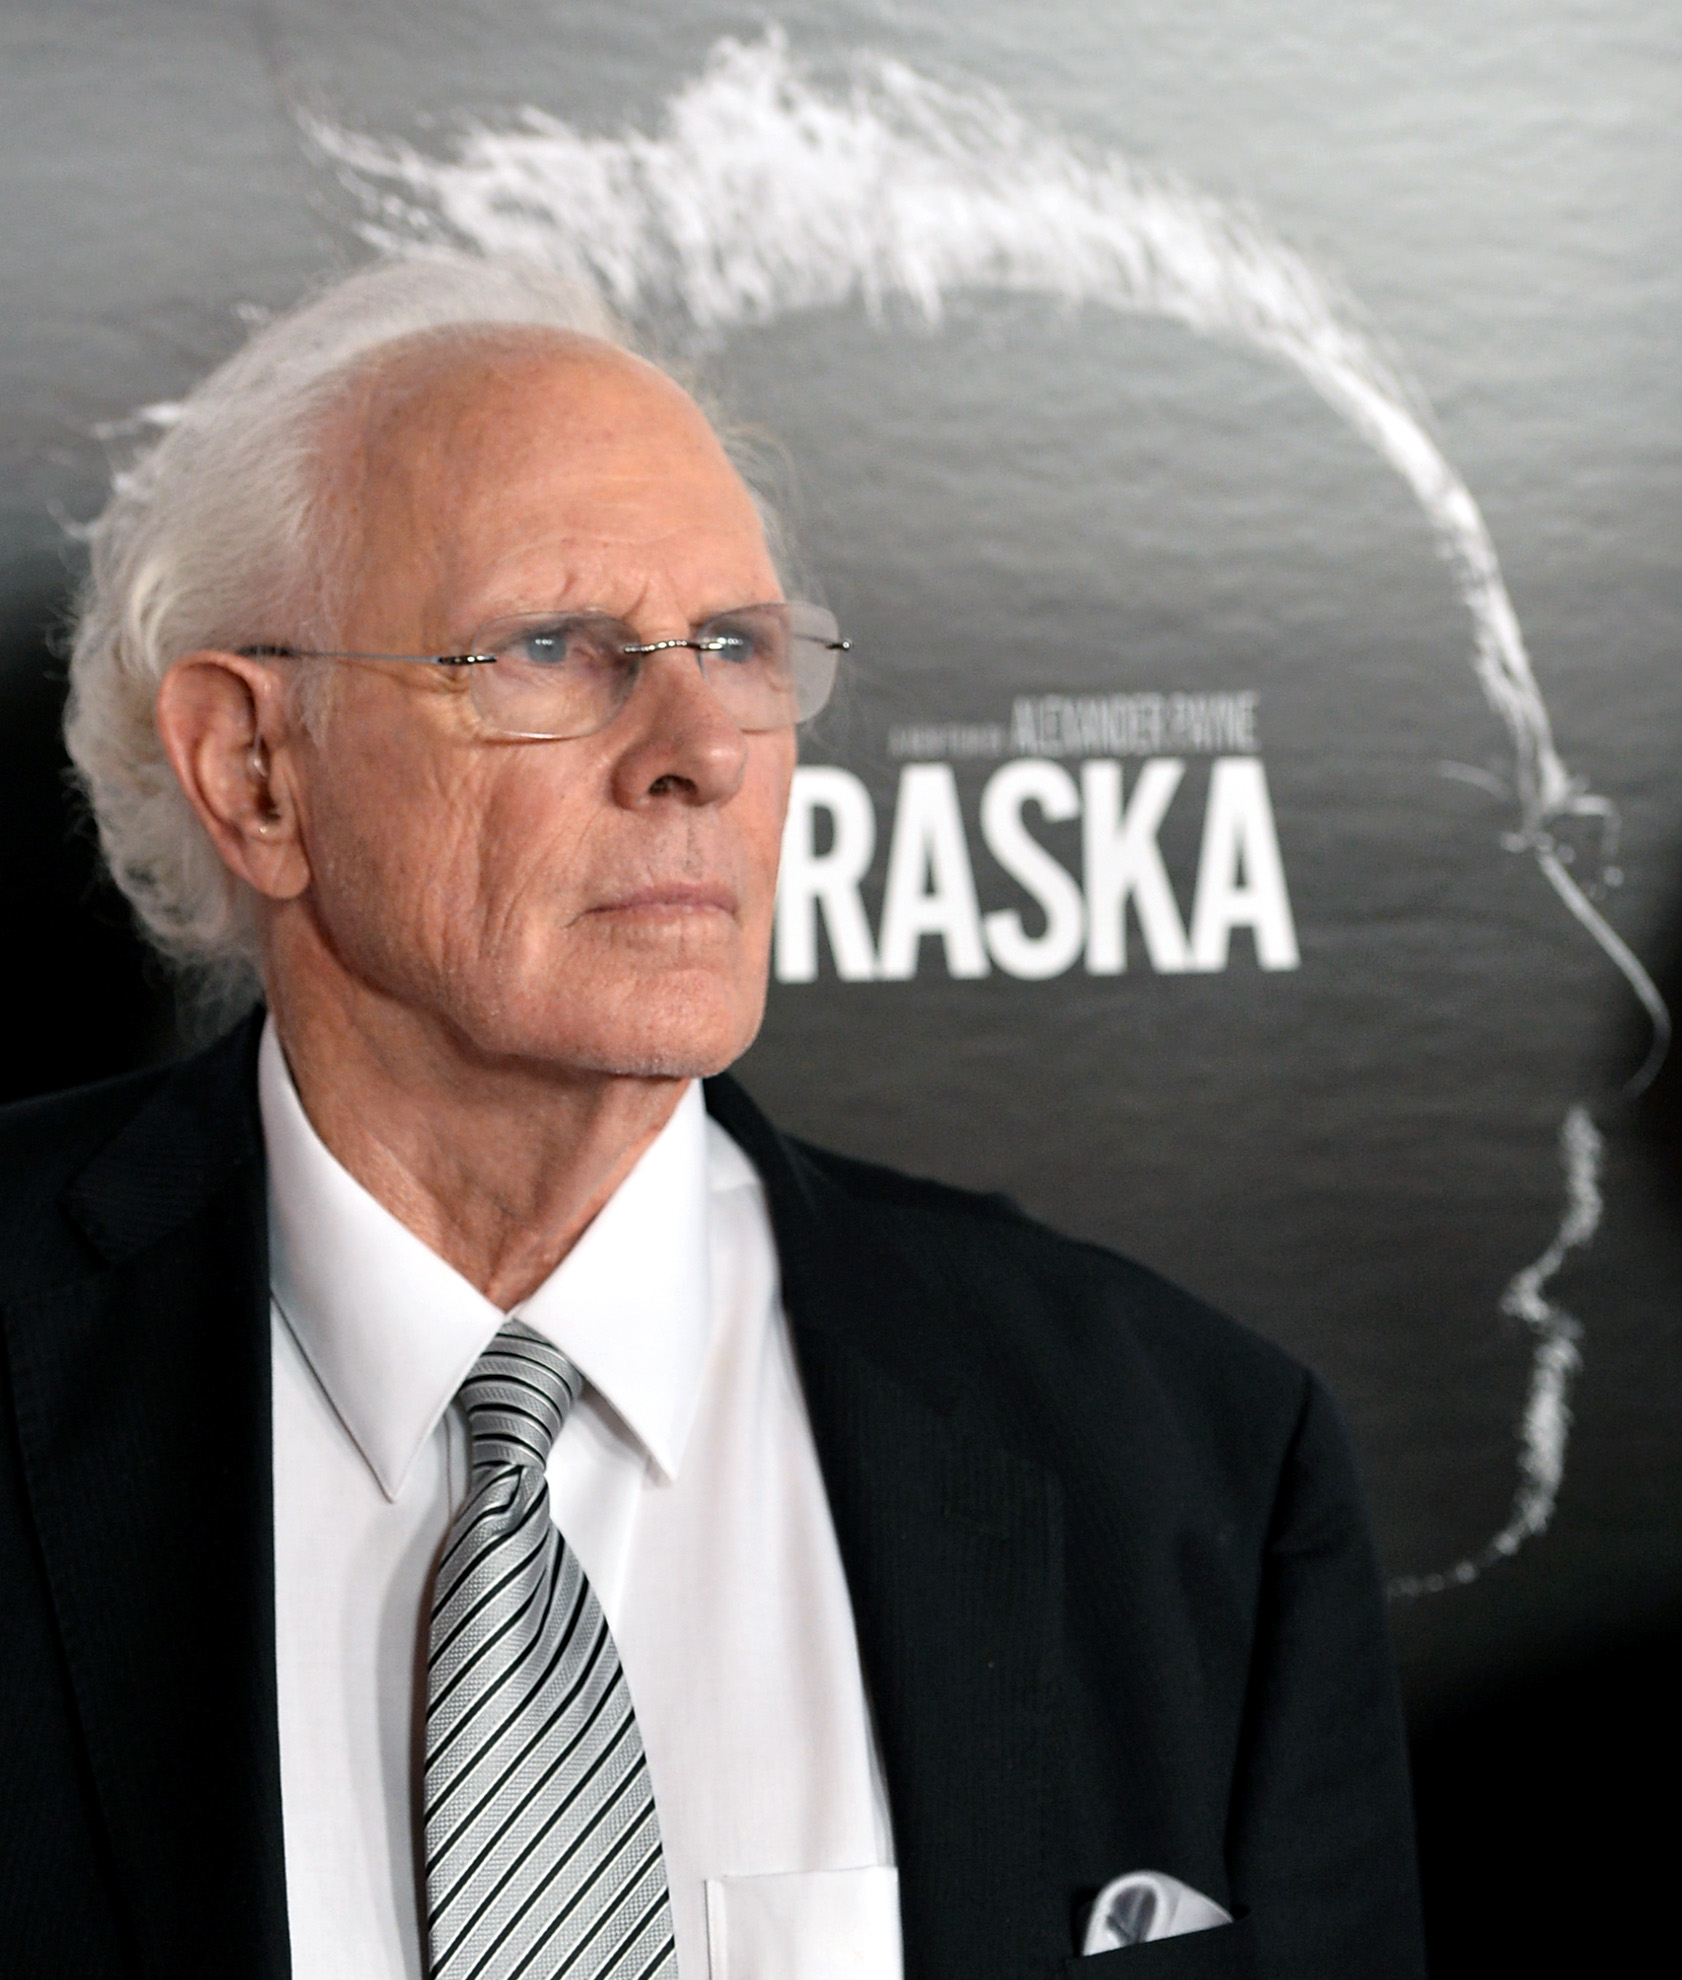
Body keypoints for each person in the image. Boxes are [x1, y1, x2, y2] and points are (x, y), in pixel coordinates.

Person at [0, 257, 1424, 1980]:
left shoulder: (1186, 1450)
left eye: (737, 648)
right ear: (255, 772)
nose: (702, 749)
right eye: (548, 648)